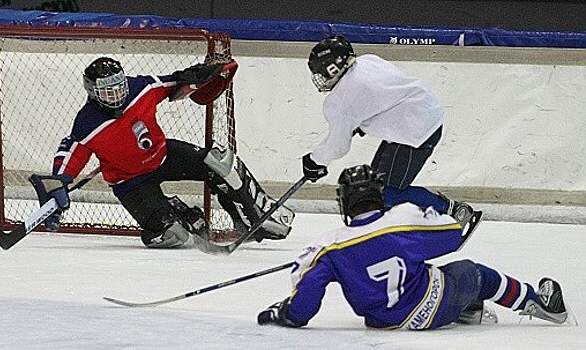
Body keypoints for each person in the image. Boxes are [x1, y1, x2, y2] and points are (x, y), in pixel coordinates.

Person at [257, 164, 570, 329]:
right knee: (475, 274)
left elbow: (306, 304)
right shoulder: (402, 218)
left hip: (382, 321)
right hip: (433, 305)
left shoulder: (327, 246)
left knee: (434, 273)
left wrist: (286, 312)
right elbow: (452, 235)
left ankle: (469, 310)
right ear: (378, 194)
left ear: (345, 202)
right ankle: (541, 304)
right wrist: (433, 213)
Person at [29, 56, 294, 248]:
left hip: (163, 155)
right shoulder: (87, 123)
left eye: (119, 86)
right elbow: (70, 152)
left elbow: (173, 85)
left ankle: (254, 215)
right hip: (130, 182)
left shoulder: (140, 88)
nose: (117, 95)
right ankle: (180, 213)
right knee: (172, 234)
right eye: (108, 92)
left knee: (220, 162)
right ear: (93, 93)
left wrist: (196, 77)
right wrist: (58, 183)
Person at [301, 35, 476, 226]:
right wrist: (364, 119)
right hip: (421, 114)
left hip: (413, 133)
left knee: (386, 194)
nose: (322, 78)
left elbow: (338, 145)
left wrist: (315, 161)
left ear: (332, 67)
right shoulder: (368, 61)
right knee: (374, 188)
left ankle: (453, 211)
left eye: (322, 72)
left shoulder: (341, 100)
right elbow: (386, 93)